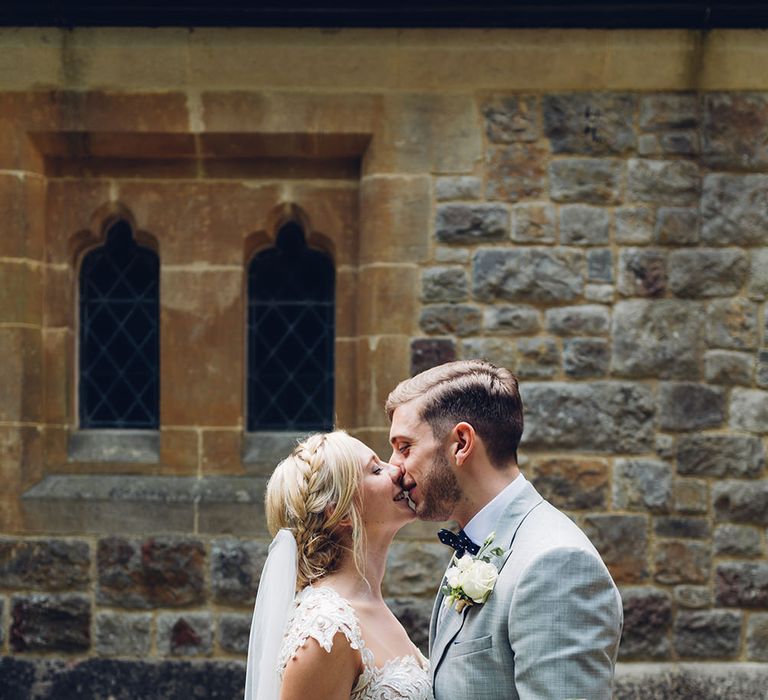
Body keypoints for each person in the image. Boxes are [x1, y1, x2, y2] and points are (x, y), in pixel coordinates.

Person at [386, 360, 623, 700]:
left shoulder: (556, 564)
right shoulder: (475, 543)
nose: (394, 467)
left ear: (461, 443)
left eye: (404, 447)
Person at [244, 430, 433, 700]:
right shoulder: (325, 629)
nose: (396, 470)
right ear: (341, 512)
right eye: (376, 470)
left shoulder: (371, 606)